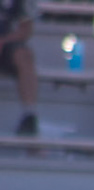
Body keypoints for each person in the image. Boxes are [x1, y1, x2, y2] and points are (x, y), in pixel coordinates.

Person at [0, 0, 38, 138]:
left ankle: (29, 115)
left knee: (24, 55)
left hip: (7, 45)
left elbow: (26, 29)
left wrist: (3, 41)